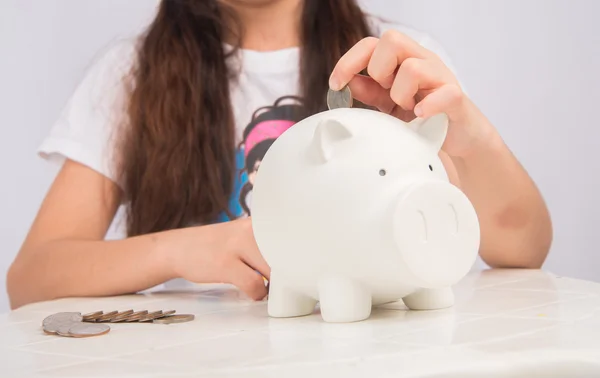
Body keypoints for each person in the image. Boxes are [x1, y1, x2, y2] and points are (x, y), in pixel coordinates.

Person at [6, 0, 553, 309]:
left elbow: (523, 248)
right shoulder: (131, 76)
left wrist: (468, 133)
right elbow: (32, 277)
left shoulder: (397, 60)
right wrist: (184, 250)